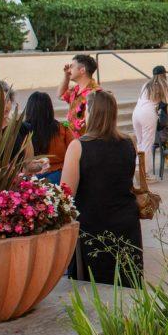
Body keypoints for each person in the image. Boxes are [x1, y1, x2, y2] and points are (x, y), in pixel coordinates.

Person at [61, 90, 143, 287]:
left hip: (93, 225)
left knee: (94, 287)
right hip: (126, 222)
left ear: (91, 112)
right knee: (127, 282)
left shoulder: (78, 147)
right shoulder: (129, 142)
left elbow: (66, 193)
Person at [21, 91, 72, 184]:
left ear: (29, 109)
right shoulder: (63, 128)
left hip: (30, 179)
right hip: (59, 176)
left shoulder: (23, 130)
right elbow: (73, 153)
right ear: (49, 109)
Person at [132, 65, 168, 170]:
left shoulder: (146, 84)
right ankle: (144, 173)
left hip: (136, 112)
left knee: (140, 143)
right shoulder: (163, 85)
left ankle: (137, 169)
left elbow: (152, 97)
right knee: (147, 144)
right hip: (148, 114)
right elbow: (165, 103)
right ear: (164, 74)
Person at [58, 54, 101, 139]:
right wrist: (66, 76)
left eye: (72, 67)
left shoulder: (95, 93)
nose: (69, 70)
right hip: (72, 140)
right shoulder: (75, 89)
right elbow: (60, 95)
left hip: (86, 143)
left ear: (82, 70)